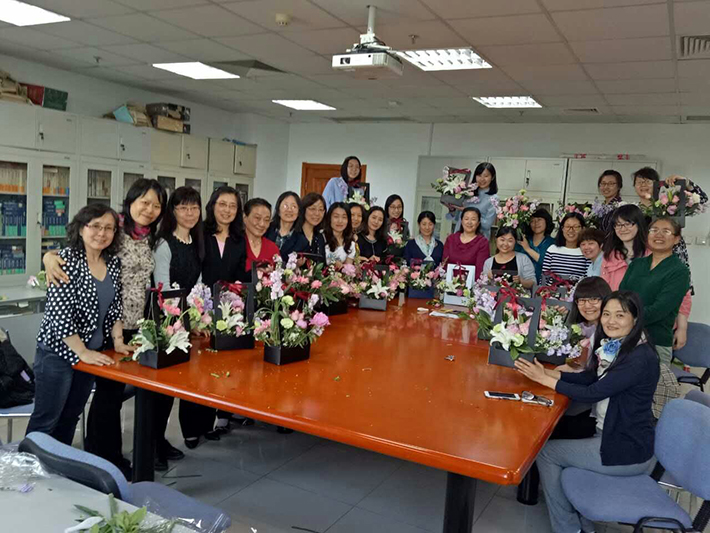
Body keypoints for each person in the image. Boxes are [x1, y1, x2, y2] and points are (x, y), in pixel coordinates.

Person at [43, 178, 168, 478]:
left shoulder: (149, 238)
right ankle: (103, 458)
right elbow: (72, 255)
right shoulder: (112, 233)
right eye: (144, 202)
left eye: (156, 205)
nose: (149, 209)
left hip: (130, 326)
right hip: (95, 332)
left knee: (103, 401)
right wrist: (47, 257)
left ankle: (95, 459)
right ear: (131, 201)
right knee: (104, 399)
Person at [515, 291, 659, 533]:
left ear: (635, 319)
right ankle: (581, 523)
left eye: (620, 315)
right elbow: (591, 377)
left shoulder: (639, 358)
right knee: (552, 432)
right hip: (611, 432)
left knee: (546, 453)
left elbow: (593, 392)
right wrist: (548, 373)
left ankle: (568, 528)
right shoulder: (622, 345)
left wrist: (544, 380)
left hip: (626, 448)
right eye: (606, 314)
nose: (610, 321)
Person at [27, 205, 131, 446]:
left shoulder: (112, 263)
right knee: (46, 420)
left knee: (70, 417)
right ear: (81, 228)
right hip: (58, 353)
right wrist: (82, 352)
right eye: (95, 226)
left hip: (89, 355)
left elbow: (115, 306)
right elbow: (60, 316)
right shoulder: (64, 261)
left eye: (109, 228)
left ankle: (59, 463)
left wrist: (118, 341)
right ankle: (31, 466)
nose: (102, 233)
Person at [152, 187, 217, 457]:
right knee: (161, 391)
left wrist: (198, 319)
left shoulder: (196, 241)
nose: (189, 213)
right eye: (183, 208)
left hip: (185, 324)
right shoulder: (164, 244)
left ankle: (160, 442)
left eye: (194, 208)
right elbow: (163, 289)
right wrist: (183, 321)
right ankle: (153, 445)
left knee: (176, 385)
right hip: (164, 323)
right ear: (173, 211)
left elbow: (198, 286)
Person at [189, 186, 249, 439]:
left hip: (227, 311)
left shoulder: (239, 239)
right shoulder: (200, 233)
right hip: (199, 309)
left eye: (233, 206)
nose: (227, 210)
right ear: (212, 206)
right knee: (197, 371)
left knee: (221, 369)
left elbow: (240, 276)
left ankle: (212, 422)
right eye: (222, 204)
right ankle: (192, 429)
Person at [619, 217, 690, 367]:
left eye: (666, 231)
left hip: (654, 342)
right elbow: (621, 297)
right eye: (654, 230)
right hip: (623, 337)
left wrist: (624, 320)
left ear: (677, 239)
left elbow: (660, 310)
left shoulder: (679, 271)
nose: (659, 235)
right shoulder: (636, 264)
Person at [631, 167, 707, 293]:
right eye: (639, 182)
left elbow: (702, 200)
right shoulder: (631, 210)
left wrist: (686, 183)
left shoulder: (670, 205)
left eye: (648, 181)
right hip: (644, 261)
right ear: (634, 186)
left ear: (657, 185)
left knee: (676, 297)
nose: (643, 185)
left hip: (673, 259)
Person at [600, 205, 648, 290]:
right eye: (618, 225)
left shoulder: (652, 254)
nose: (622, 229)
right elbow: (604, 290)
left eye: (627, 224)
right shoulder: (609, 256)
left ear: (639, 224)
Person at [446, 162, 498, 238]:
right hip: (460, 235)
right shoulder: (467, 191)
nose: (482, 179)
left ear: (492, 177)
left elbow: (487, 225)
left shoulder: (494, 198)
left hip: (478, 238)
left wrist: (467, 211)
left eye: (486, 176)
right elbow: (456, 218)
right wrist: (452, 208)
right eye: (479, 175)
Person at [541, 212, 590, 283]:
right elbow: (544, 277)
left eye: (576, 227)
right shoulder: (552, 250)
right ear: (562, 228)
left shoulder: (586, 251)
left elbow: (588, 280)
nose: (571, 230)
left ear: (583, 229)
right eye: (567, 226)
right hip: (552, 289)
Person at [442, 206, 489, 278]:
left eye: (473, 219)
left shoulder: (482, 242)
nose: (469, 222)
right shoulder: (451, 239)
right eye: (466, 219)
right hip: (448, 281)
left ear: (478, 223)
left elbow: (480, 269)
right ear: (461, 221)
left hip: (472, 282)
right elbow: (444, 264)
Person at [265, 191, 308, 262]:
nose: (289, 210)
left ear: (298, 212)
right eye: (285, 206)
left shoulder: (302, 241)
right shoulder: (265, 230)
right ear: (278, 210)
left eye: (294, 207)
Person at [516, 208, 555, 283]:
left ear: (546, 221)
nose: (536, 223)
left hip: (544, 284)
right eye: (532, 221)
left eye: (539, 219)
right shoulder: (523, 240)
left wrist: (528, 249)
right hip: (522, 283)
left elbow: (548, 264)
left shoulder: (552, 243)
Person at [244, 198, 280, 271]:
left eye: (266, 220)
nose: (262, 224)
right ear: (244, 217)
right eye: (257, 218)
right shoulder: (234, 244)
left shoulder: (273, 248)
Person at [324, 202, 356, 267]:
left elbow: (348, 269)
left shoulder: (350, 243)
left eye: (344, 217)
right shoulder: (321, 237)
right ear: (329, 218)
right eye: (336, 216)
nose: (340, 221)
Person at [297, 192, 327, 263]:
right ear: (303, 209)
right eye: (313, 209)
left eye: (321, 210)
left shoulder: (320, 237)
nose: (317, 213)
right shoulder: (294, 234)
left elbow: (322, 263)